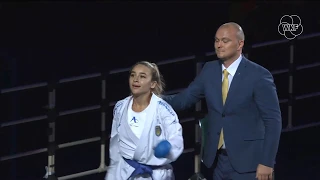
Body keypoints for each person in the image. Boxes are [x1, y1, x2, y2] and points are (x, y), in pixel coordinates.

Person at [163, 22, 282, 180]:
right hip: (219, 161)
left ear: (240, 44)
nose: (219, 45)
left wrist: (267, 162)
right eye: (216, 40)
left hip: (250, 163)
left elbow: (273, 121)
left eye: (225, 41)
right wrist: (153, 99)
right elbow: (184, 99)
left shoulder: (259, 76)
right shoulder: (209, 70)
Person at [105, 61, 184, 180]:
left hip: (155, 175)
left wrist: (168, 147)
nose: (135, 79)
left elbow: (176, 138)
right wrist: (112, 173)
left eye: (142, 76)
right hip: (125, 172)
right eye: (133, 75)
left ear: (152, 84)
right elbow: (115, 142)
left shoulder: (163, 110)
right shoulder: (120, 107)